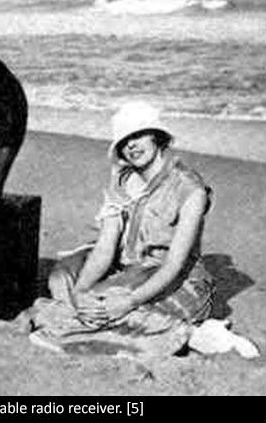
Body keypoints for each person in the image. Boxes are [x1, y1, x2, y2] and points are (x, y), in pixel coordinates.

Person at [26, 100, 217, 356]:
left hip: (173, 276)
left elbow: (174, 264)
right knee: (61, 280)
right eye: (125, 140)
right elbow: (105, 246)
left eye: (139, 135)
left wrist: (129, 301)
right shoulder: (122, 179)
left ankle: (186, 333)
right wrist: (81, 293)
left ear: (157, 137)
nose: (132, 145)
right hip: (128, 266)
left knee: (106, 305)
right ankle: (89, 313)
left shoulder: (189, 189)